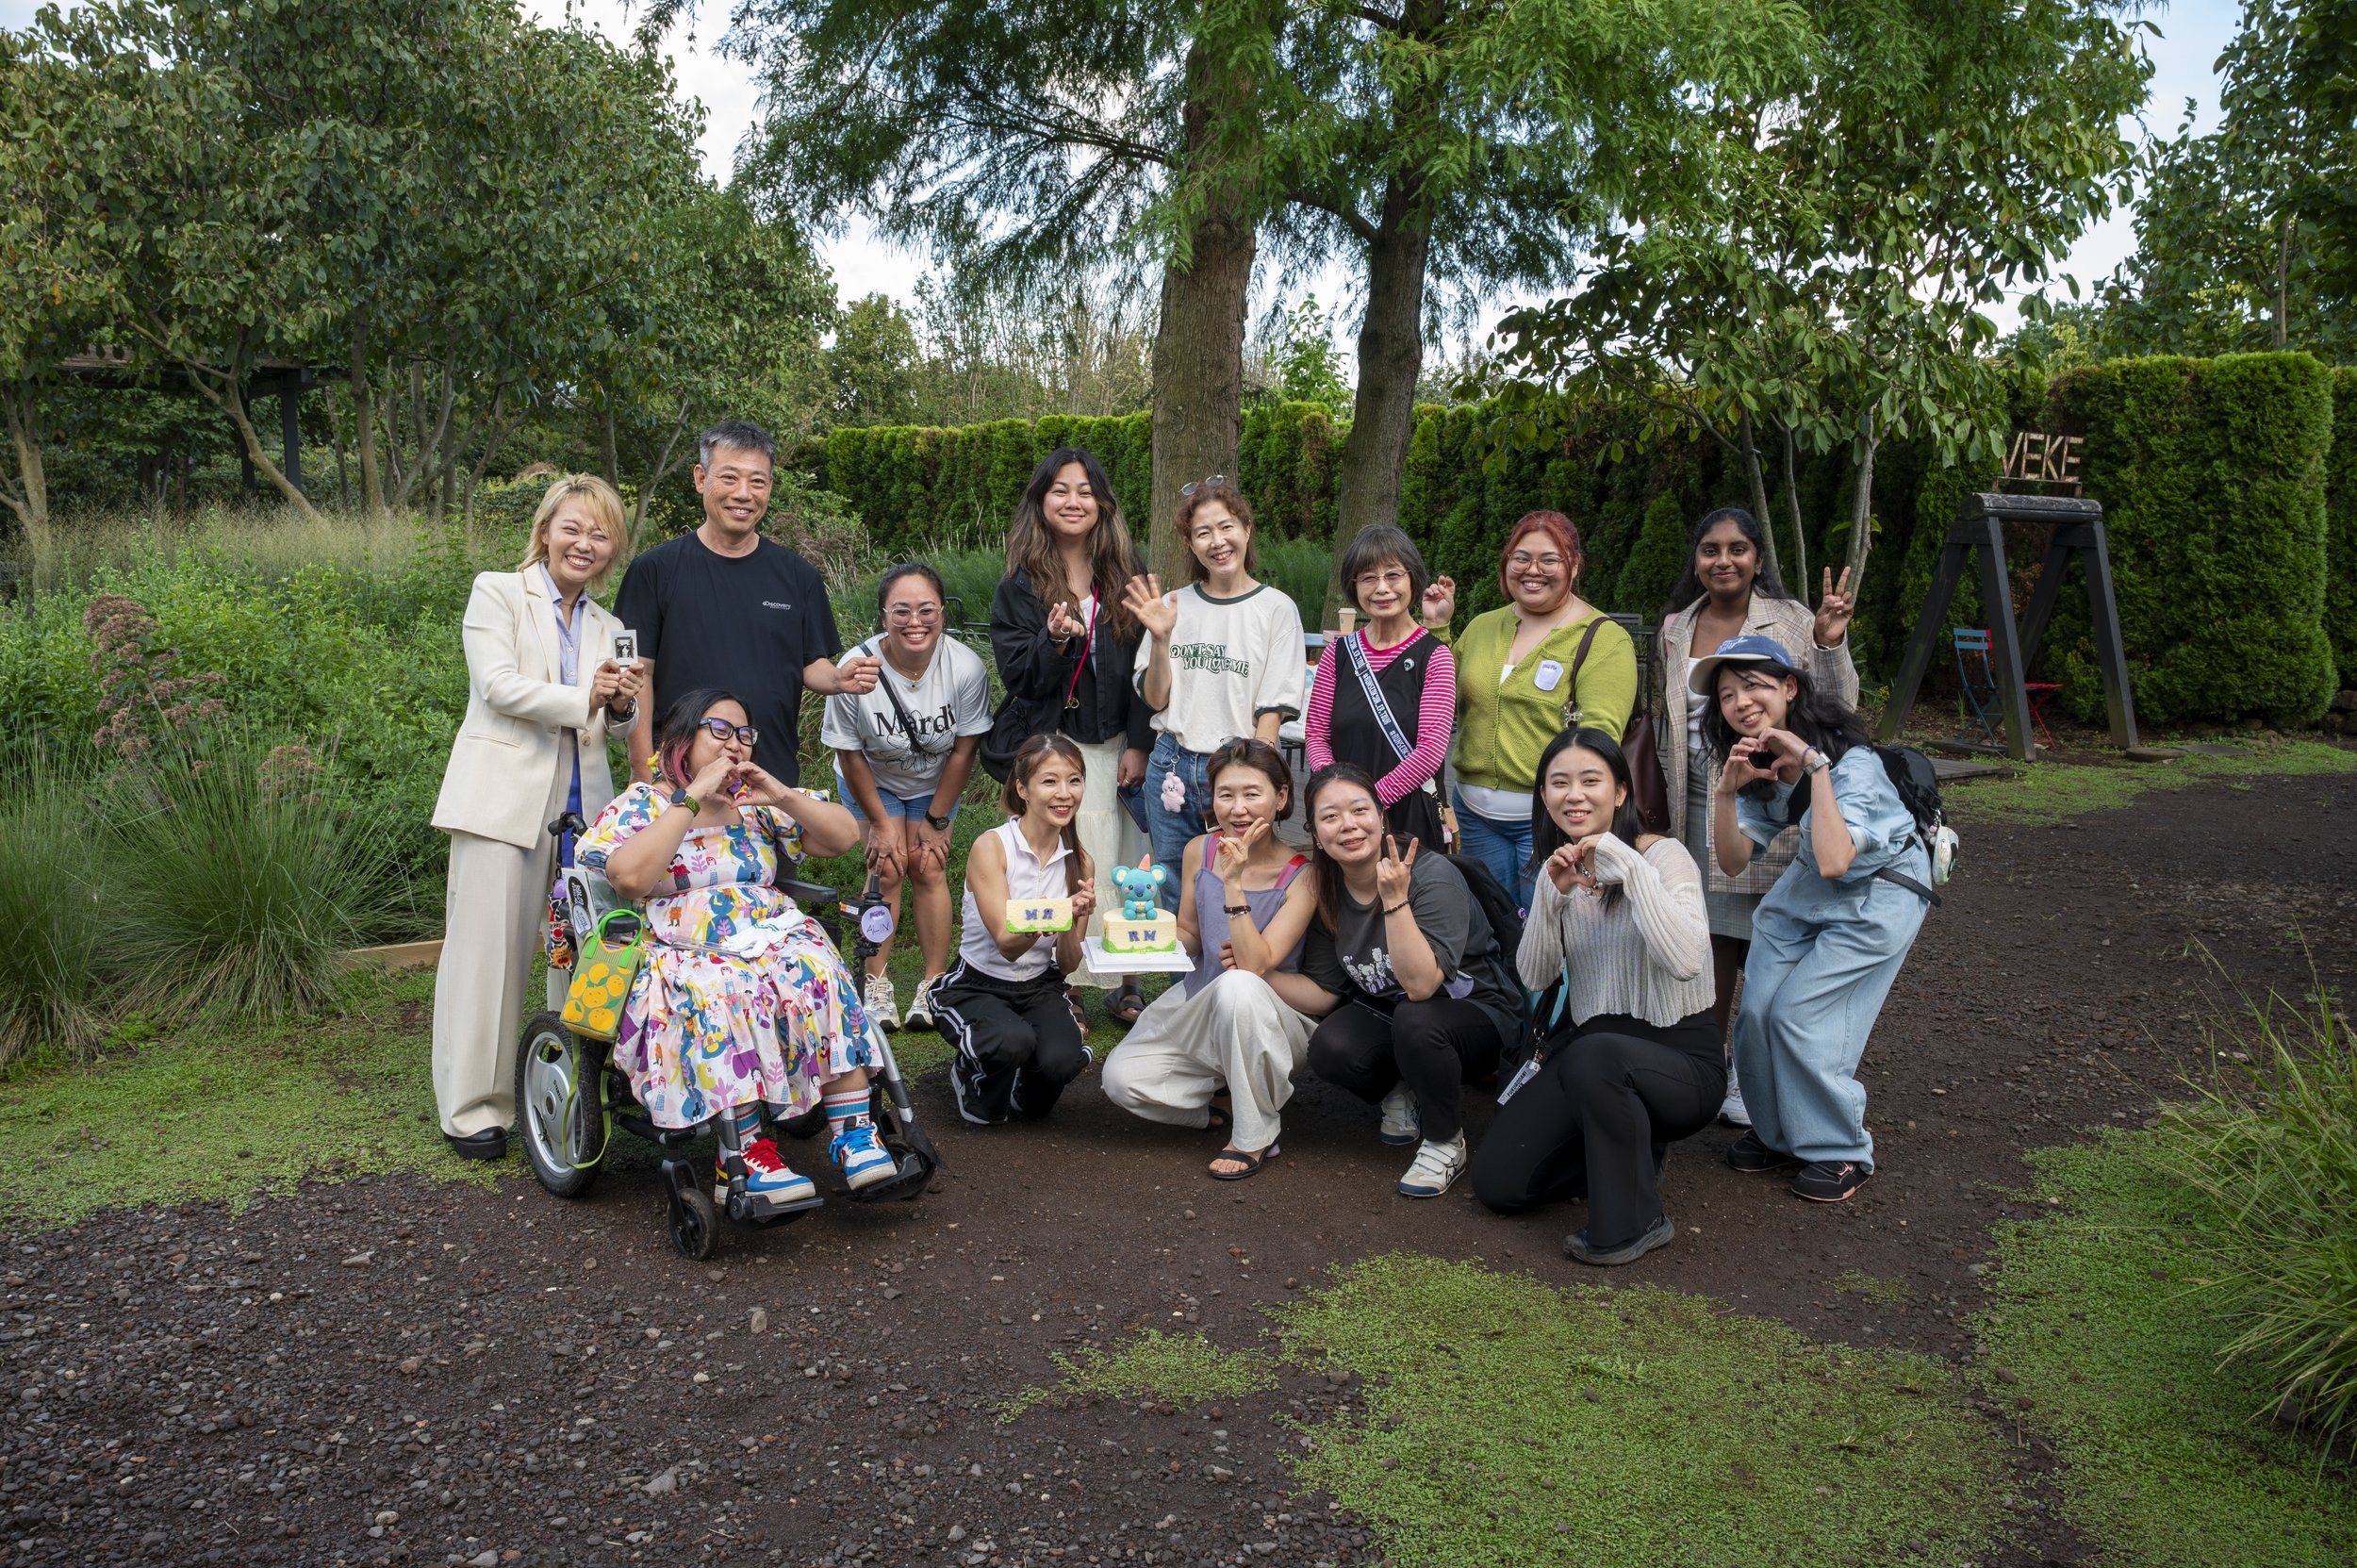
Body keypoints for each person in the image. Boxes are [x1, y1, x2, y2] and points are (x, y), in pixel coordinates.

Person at [575, 689, 900, 1205]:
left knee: (818, 968)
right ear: (679, 739)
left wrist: (780, 794)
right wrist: (691, 797)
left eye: (744, 734)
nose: (736, 743)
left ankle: (854, 1132)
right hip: (685, 948)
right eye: (720, 730)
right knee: (723, 987)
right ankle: (744, 1155)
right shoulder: (643, 802)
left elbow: (842, 838)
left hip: (771, 935)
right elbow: (629, 877)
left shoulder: (752, 806)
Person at [430, 474, 644, 1161]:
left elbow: (617, 722)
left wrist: (620, 705)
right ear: (545, 529)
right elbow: (496, 686)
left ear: (613, 550)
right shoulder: (497, 591)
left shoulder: (610, 625)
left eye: (600, 533)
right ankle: (473, 1111)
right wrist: (589, 693)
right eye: (572, 528)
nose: (584, 543)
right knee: (487, 960)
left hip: (584, 813)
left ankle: (566, 1096)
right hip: (500, 804)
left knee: (579, 959)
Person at [1469, 729, 1722, 1265]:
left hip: (1680, 1063)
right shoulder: (1554, 871)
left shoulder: (1666, 857)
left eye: (1591, 781)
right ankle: (1629, 1150)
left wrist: (1628, 866)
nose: (1574, 795)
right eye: (1559, 783)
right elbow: (1535, 974)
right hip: (1592, 1060)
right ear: (1543, 797)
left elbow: (1687, 960)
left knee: (1595, 1053)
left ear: (1622, 792)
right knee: (1498, 1183)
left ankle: (1634, 1221)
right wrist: (1554, 899)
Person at [1695, 635, 1930, 1205]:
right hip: (1810, 888)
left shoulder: (1853, 763)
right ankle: (1777, 1134)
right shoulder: (1754, 761)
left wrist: (1814, 767)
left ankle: (1839, 1149)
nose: (1740, 702)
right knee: (1756, 1011)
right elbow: (1731, 863)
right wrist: (1726, 793)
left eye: (1754, 685)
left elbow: (1836, 858)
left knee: (1801, 1013)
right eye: (1727, 694)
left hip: (1881, 888)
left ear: (1789, 688)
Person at [1655, 505, 1857, 1126]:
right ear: (1696, 561)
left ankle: (1752, 1064)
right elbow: (1664, 716)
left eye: (1737, 548)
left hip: (1769, 790)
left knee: (1762, 935)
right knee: (1704, 932)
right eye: (1710, 549)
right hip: (1692, 793)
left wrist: (1827, 642)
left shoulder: (1793, 619)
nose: (1723, 560)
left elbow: (1837, 705)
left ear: (1758, 559)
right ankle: (1704, 1061)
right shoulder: (1674, 626)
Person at [1100, 739, 1327, 1180]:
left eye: (1252, 794)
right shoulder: (1197, 850)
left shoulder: (1304, 874)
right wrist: (1137, 943)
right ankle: (1217, 1107)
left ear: (1281, 798)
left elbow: (1256, 964)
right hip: (1201, 1005)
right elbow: (1189, 934)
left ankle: (1254, 1132)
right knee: (1122, 1080)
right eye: (1226, 795)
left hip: (1271, 1021)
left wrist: (1234, 882)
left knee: (1238, 984)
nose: (1238, 809)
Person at [613, 419, 880, 789]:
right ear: (700, 478)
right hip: (678, 778)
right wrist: (644, 769)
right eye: (729, 477)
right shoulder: (653, 571)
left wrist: (838, 678)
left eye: (758, 481)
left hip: (770, 778)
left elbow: (809, 663)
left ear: (769, 487)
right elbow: (635, 674)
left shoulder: (798, 576)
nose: (744, 493)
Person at [1295, 765, 1522, 1199]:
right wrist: (1253, 973)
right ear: (1315, 831)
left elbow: (1420, 985)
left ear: (1382, 815)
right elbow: (1324, 995)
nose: (1347, 825)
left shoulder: (1431, 875)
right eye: (1330, 817)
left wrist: (1395, 900)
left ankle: (1444, 1139)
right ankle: (1404, 1087)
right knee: (1330, 1047)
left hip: (1477, 1013)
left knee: (1418, 1020)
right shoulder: (1327, 887)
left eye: (1359, 809)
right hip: (1395, 1014)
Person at [987, 447, 1156, 1024]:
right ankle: (1068, 986)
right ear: (1041, 501)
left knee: (1123, 861)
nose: (1073, 501)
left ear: (1102, 504)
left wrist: (1139, 741)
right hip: (1054, 748)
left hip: (1116, 746)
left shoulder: (1127, 578)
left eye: (1085, 491)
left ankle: (1128, 980)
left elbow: (1145, 665)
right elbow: (1019, 678)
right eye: (1060, 489)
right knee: (1068, 864)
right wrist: (1054, 641)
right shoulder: (1019, 587)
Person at [1419, 509, 1635, 914]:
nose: (1533, 570)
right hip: (1475, 817)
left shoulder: (1604, 639)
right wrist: (1437, 630)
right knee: (1494, 931)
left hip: (1550, 824)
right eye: (1521, 558)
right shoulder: (1483, 626)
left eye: (1549, 559)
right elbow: (1441, 697)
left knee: (1551, 936)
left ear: (1573, 565)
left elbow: (1600, 739)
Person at [823, 562, 992, 1032]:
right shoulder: (855, 670)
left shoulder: (965, 667)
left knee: (929, 865)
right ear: (883, 616)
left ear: (942, 613)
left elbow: (964, 748)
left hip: (936, 779)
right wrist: (880, 822)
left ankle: (934, 984)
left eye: (926, 610)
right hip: (869, 779)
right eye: (901, 611)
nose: (914, 621)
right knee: (887, 867)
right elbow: (849, 753)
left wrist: (936, 821)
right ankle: (874, 983)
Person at [1126, 476, 1307, 909]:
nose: (1217, 541)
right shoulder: (1171, 604)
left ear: (1246, 529)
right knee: (1170, 881)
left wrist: (1249, 782)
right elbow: (1155, 699)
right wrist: (1160, 640)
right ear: (1190, 543)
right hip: (1171, 764)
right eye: (1203, 533)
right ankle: (1178, 977)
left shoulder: (1276, 609)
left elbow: (1272, 713)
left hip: (1236, 768)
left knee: (1237, 876)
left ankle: (1235, 972)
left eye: (1226, 527)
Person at [931, 734, 1101, 1126]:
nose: (1065, 793)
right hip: (977, 983)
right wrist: (1062, 910)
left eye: (1075, 780)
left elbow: (1068, 962)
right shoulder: (991, 847)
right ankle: (969, 1076)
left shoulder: (1081, 863)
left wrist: (1074, 922)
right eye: (1050, 781)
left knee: (1059, 1065)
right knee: (1001, 1075)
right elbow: (1007, 944)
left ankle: (1021, 1079)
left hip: (1039, 987)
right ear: (1022, 789)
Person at [1304, 525, 1457, 851]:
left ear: (1412, 578)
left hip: (1410, 813)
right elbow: (1316, 734)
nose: (1382, 588)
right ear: (1354, 585)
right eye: (1369, 578)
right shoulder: (1338, 653)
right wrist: (1341, 797)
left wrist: (1370, 801)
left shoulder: (1435, 656)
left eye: (1393, 575)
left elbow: (1430, 751)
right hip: (1344, 819)